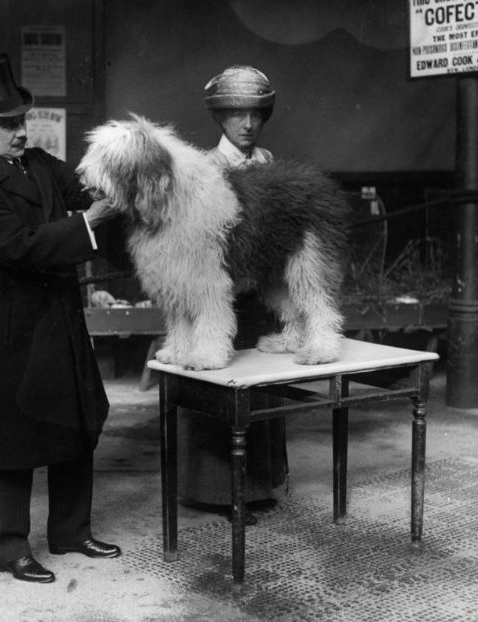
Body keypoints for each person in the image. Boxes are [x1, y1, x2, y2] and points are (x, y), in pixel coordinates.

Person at [0, 53, 122, 583]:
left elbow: (85, 194)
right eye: (7, 125)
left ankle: (71, 531)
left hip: (59, 320)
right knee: (14, 440)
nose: (20, 132)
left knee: (73, 423)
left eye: (23, 121)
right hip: (13, 334)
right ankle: (10, 547)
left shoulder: (43, 165)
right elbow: (23, 247)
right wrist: (84, 225)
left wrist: (109, 191)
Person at [178, 65, 288, 525]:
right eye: (237, 114)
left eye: (256, 114)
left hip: (262, 292)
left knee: (261, 387)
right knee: (222, 392)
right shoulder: (204, 167)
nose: (247, 124)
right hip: (218, 292)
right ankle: (221, 493)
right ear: (220, 117)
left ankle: (257, 487)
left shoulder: (269, 164)